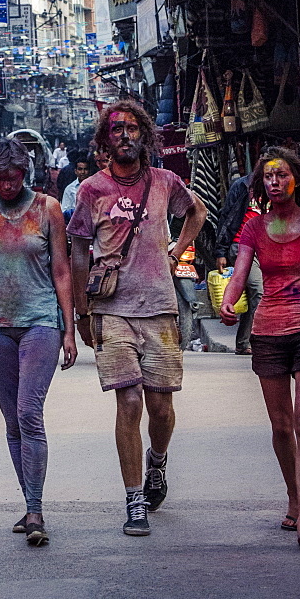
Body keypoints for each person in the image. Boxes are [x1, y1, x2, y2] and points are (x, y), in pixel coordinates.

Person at [69, 100, 206, 536]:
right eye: (116, 130)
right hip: (111, 310)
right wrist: (81, 311)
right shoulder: (92, 189)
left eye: (131, 128)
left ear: (143, 135)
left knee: (161, 408)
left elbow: (197, 212)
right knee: (128, 401)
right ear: (104, 140)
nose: (124, 135)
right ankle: (134, 501)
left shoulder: (165, 181)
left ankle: (157, 463)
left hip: (161, 309)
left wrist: (176, 250)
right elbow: (77, 250)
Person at [0, 138, 77, 547]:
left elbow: (61, 270)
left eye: (14, 177)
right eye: (0, 178)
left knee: (28, 412)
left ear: (26, 173)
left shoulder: (47, 209)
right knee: (11, 421)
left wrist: (69, 328)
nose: (7, 184)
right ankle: (29, 504)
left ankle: (36, 509)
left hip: (41, 323)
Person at [221, 147, 300, 551]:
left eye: (281, 175)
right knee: (281, 426)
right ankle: (294, 497)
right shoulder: (254, 228)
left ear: (296, 178)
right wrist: (230, 301)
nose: (275, 182)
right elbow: (241, 271)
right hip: (268, 331)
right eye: (268, 177)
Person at [214, 171, 263, 354]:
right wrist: (220, 251)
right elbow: (226, 217)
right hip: (240, 246)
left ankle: (243, 343)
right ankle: (262, 338)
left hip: (266, 246)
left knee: (256, 297)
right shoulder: (242, 186)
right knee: (258, 291)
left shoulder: (277, 189)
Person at [61, 152, 89, 220]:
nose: (83, 172)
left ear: (89, 171)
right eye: (80, 169)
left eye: (85, 169)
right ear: (75, 171)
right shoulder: (69, 189)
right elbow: (64, 210)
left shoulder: (95, 187)